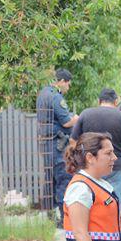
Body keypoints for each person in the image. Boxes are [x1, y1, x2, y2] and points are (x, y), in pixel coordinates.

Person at [70, 88, 121, 203]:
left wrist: (81, 160)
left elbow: (73, 141)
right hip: (114, 166)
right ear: (115, 102)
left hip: (91, 166)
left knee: (90, 201)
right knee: (112, 203)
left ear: (99, 101)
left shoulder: (85, 114)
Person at [37, 68, 79, 219]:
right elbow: (67, 122)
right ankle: (63, 217)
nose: (68, 87)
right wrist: (76, 119)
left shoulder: (43, 93)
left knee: (50, 180)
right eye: (68, 84)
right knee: (63, 179)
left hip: (46, 143)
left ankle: (50, 216)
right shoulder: (55, 97)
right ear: (61, 81)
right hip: (57, 145)